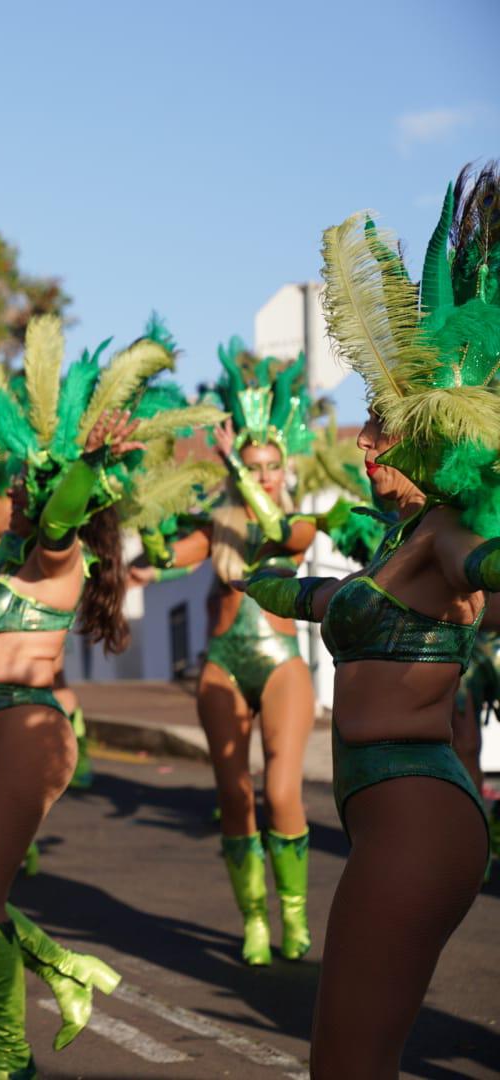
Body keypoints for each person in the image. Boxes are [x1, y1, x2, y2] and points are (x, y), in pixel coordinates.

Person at [0, 315, 213, 1076]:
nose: (14, 482)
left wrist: (86, 462)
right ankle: (63, 969)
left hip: (28, 734)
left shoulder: (56, 560)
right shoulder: (9, 555)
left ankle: (10, 1058)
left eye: (25, 478)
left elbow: (66, 512)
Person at [243, 178, 496, 1076]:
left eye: (384, 432)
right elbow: (325, 601)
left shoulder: (442, 537)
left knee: (347, 1067)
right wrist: (263, 575)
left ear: (434, 436)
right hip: (388, 814)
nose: (366, 445)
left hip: (419, 817)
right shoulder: (395, 542)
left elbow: (484, 567)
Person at [131, 350, 321, 965]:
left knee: (282, 790)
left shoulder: (295, 520)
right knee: (234, 793)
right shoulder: (218, 529)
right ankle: (254, 920)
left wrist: (238, 470)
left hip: (281, 665)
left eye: (271, 466)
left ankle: (294, 913)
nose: (263, 475)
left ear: (282, 469)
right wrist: (150, 514)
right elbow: (161, 560)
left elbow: (284, 534)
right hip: (223, 665)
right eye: (255, 465)